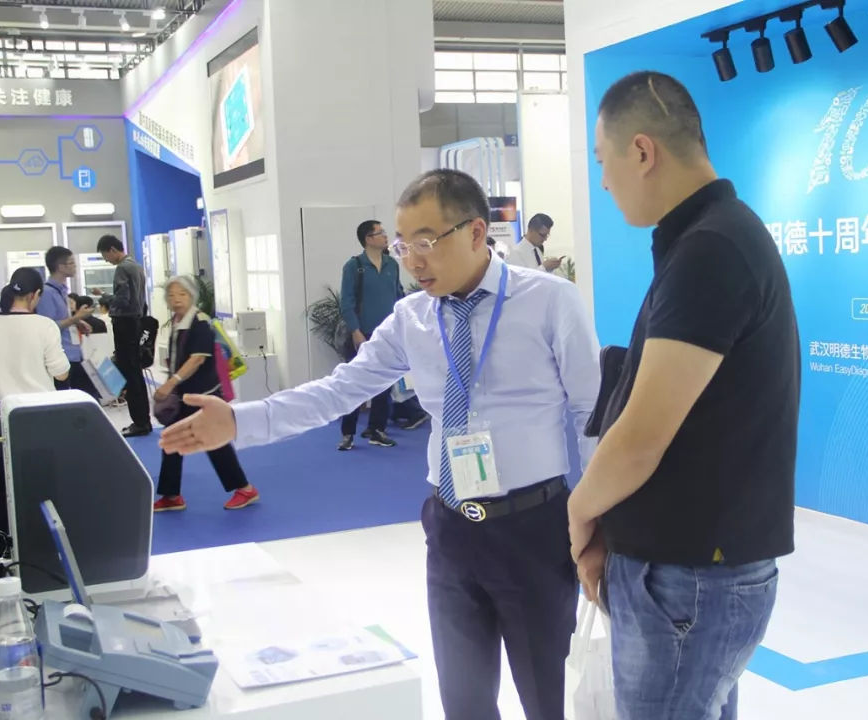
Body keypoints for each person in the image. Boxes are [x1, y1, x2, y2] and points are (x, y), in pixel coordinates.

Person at [160, 169, 601, 720]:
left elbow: (591, 412)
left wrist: (597, 522)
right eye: (402, 245)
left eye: (425, 241)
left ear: (475, 232)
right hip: (451, 526)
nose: (412, 260)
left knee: (544, 696)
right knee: (463, 699)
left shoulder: (550, 301)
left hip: (532, 526)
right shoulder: (413, 317)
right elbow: (341, 390)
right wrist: (241, 422)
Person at [566, 71, 800, 720]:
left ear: (642, 151)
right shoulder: (714, 239)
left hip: (688, 580)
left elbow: (641, 438)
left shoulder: (710, 250)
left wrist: (579, 514)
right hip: (693, 571)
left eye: (603, 161)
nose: (603, 181)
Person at [0, 268, 70, 556]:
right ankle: (43, 543)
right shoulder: (45, 326)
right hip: (40, 411)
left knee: (1, 479)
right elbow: (61, 373)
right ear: (35, 295)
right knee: (43, 478)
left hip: (1, 411)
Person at [152, 276, 258, 512]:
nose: (176, 299)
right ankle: (171, 495)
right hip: (186, 395)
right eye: (171, 295)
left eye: (182, 294)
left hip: (203, 395)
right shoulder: (178, 322)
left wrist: (170, 384)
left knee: (214, 441)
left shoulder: (200, 323)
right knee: (172, 440)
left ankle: (245, 489)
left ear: (192, 296)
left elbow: (197, 359)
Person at [336, 220, 403, 450]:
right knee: (355, 383)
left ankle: (376, 430)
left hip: (387, 335)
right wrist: (355, 331)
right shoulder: (354, 266)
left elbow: (398, 295)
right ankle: (348, 433)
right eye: (380, 232)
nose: (385, 236)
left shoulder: (392, 265)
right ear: (368, 239)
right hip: (361, 334)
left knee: (384, 385)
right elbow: (346, 302)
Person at [93, 235, 151, 437]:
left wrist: (104, 296)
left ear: (112, 249)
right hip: (136, 322)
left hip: (125, 324)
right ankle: (143, 420)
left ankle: (139, 422)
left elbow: (122, 300)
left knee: (130, 374)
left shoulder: (122, 269)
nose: (106, 260)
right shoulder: (136, 267)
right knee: (136, 374)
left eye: (105, 255)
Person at [37, 247, 99, 399]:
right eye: (71, 263)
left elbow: (62, 319)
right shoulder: (47, 293)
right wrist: (76, 318)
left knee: (88, 398)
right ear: (61, 267)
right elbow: (48, 328)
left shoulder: (62, 290)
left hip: (75, 353)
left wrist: (78, 322)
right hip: (62, 356)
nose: (75, 266)